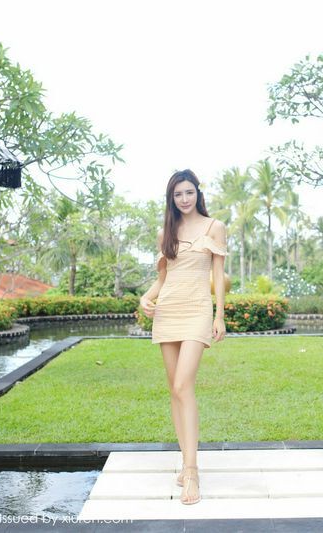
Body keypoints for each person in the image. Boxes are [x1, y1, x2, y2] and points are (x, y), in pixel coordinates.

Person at [139, 169, 228, 505]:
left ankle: (192, 472)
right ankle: (185, 459)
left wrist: (219, 315)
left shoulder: (214, 227)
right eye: (178, 194)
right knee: (174, 391)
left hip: (197, 310)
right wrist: (145, 297)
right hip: (168, 312)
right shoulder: (166, 232)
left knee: (182, 385)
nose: (185, 199)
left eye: (189, 192)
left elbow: (218, 274)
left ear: (198, 194)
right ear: (171, 199)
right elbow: (163, 278)